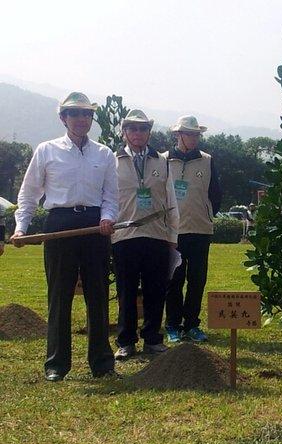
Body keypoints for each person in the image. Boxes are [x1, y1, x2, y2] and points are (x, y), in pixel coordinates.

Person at [11, 92, 118, 381]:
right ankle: (56, 364)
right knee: (59, 294)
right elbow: (29, 192)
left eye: (86, 114)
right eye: (74, 114)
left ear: (91, 119)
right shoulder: (46, 150)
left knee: (98, 294)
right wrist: (22, 226)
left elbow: (111, 195)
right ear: (63, 118)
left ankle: (102, 363)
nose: (81, 119)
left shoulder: (104, 154)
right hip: (59, 225)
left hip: (95, 227)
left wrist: (108, 218)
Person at [112, 109, 179, 360]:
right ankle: (126, 341)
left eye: (142, 129)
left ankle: (152, 338)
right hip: (124, 236)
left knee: (155, 289)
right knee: (126, 291)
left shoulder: (162, 161)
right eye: (132, 128)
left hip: (156, 235)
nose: (137, 133)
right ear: (124, 132)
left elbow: (171, 200)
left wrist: (173, 237)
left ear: (149, 132)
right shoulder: (113, 160)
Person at [163, 116, 221, 343]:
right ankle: (172, 325)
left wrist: (206, 213)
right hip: (172, 232)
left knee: (197, 280)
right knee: (174, 280)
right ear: (178, 135)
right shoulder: (164, 160)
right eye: (189, 134)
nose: (194, 138)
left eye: (196, 134)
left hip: (200, 230)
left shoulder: (207, 160)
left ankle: (192, 324)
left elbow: (216, 194)